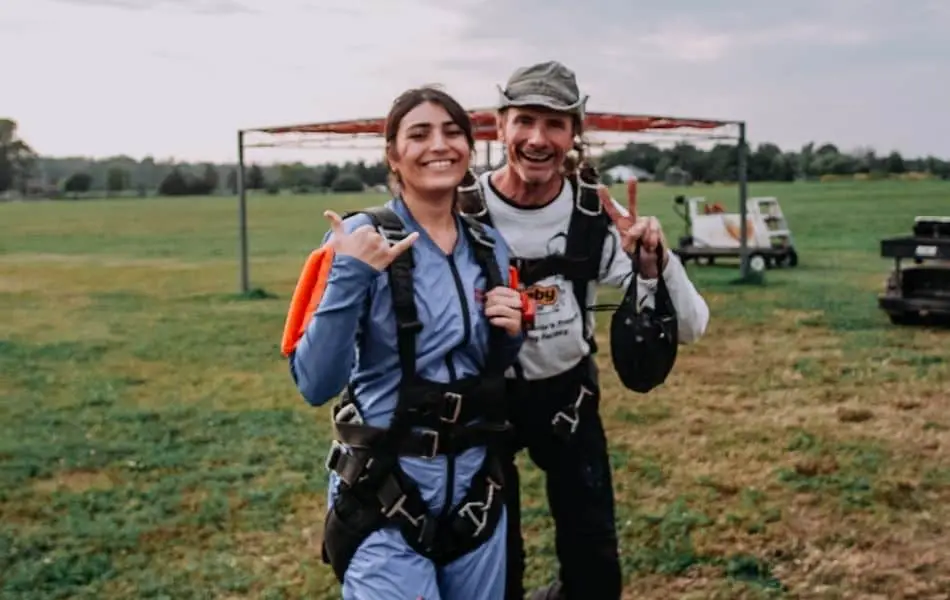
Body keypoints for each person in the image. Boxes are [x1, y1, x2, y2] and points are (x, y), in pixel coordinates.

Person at [455, 61, 711, 599]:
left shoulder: (596, 215)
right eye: (524, 120)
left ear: (575, 134)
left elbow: (691, 325)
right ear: (500, 125)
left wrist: (653, 262)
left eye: (555, 124)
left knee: (594, 568)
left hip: (566, 400)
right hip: (484, 405)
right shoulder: (460, 211)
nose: (537, 139)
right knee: (493, 566)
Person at [280, 86, 528, 600]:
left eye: (452, 131)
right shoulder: (356, 238)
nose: (439, 145)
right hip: (385, 497)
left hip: (476, 497)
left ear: (469, 147)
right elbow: (314, 382)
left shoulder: (488, 244)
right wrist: (350, 274)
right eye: (419, 134)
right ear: (393, 153)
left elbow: (485, 366)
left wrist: (510, 335)